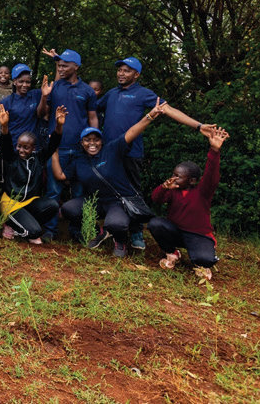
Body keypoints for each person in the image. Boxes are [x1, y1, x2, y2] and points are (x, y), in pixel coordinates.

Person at [97, 56, 214, 250]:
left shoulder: (143, 94)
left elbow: (169, 110)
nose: (121, 73)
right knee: (110, 190)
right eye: (119, 70)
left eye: (126, 70)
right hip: (109, 153)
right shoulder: (110, 94)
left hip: (131, 152)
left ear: (137, 74)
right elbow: (92, 109)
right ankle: (115, 232)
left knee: (133, 191)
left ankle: (136, 232)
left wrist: (198, 125)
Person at [57, 99, 168, 257]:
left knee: (115, 223)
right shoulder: (78, 161)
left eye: (96, 139)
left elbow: (132, 132)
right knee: (68, 209)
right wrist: (53, 151)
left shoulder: (112, 149)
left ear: (101, 141)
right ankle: (100, 231)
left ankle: (120, 240)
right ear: (82, 143)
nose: (92, 143)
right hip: (95, 201)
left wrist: (150, 116)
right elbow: (61, 176)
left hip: (117, 201)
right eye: (87, 140)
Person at [149, 126, 228, 281]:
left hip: (198, 235)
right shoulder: (172, 190)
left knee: (204, 259)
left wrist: (214, 150)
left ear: (191, 180)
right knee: (155, 223)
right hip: (176, 232)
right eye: (173, 174)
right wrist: (164, 187)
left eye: (179, 176)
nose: (174, 178)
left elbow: (211, 174)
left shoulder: (202, 191)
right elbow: (156, 199)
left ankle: (201, 260)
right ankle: (172, 253)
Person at [40, 48, 99, 241]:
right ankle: (50, 230)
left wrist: (95, 142)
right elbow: (41, 114)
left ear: (76, 67)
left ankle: (77, 232)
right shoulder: (55, 87)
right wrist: (44, 96)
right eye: (59, 65)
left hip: (81, 150)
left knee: (80, 191)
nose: (61, 68)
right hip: (57, 147)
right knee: (53, 190)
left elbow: (92, 117)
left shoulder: (87, 91)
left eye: (65, 65)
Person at [0, 104, 67, 243]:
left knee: (52, 205)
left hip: (29, 202)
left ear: (34, 148)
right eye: (19, 146)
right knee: (35, 233)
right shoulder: (12, 158)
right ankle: (9, 224)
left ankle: (22, 225)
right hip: (11, 203)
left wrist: (59, 126)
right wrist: (4, 126)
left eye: (26, 147)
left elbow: (53, 143)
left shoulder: (39, 158)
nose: (21, 150)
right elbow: (6, 142)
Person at [0, 64, 42, 150]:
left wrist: (57, 61)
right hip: (15, 147)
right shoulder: (6, 102)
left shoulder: (36, 95)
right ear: (15, 81)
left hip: (33, 147)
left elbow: (55, 86)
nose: (25, 85)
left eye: (28, 82)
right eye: (21, 81)